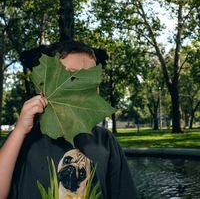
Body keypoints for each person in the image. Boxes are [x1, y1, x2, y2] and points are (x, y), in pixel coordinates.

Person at [0, 40, 139, 199]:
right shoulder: (23, 140)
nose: (82, 85)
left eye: (90, 77)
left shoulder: (105, 141)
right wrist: (19, 131)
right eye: (72, 75)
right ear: (46, 84)